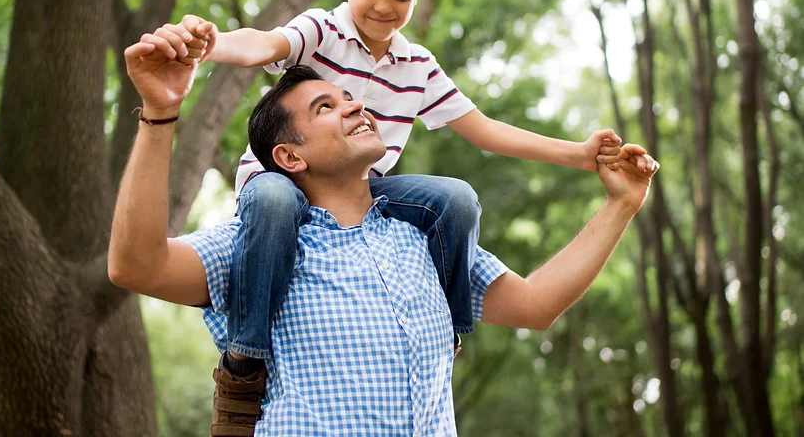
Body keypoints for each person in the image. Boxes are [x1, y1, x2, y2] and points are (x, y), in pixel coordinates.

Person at [163, 0, 622, 426]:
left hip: (365, 188)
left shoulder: (418, 66)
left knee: (455, 199)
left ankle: (443, 328)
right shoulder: (322, 29)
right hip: (284, 180)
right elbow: (264, 44)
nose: (383, 7)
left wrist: (577, 154)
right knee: (272, 203)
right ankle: (245, 360)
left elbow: (485, 130)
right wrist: (211, 44)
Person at [108, 49, 658, 436]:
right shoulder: (258, 244)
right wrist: (160, 111)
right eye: (325, 107)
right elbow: (135, 264)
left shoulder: (425, 237)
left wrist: (621, 205)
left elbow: (536, 307)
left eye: (349, 97)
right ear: (289, 157)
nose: (354, 106)